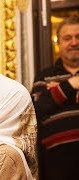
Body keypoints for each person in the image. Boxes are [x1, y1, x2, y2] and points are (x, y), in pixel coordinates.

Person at [31, 16, 79, 180]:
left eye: (78, 37)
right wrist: (71, 85)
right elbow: (36, 111)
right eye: (67, 38)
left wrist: (57, 93)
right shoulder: (44, 76)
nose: (74, 42)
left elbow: (49, 103)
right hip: (57, 164)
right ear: (58, 43)